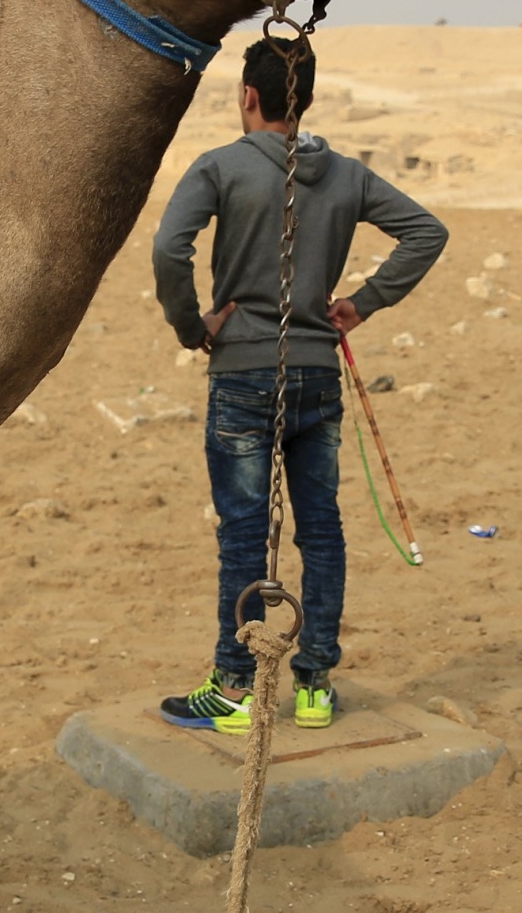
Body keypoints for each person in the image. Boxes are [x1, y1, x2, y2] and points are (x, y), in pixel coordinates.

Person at [152, 37, 447, 734]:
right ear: (305, 99)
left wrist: (191, 325)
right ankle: (314, 684)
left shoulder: (220, 165)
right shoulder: (346, 173)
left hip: (242, 374)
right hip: (316, 373)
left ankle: (234, 687)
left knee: (245, 536)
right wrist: (363, 301)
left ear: (248, 97)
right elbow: (425, 233)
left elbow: (170, 247)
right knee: (322, 527)